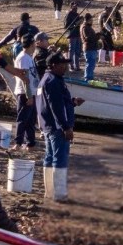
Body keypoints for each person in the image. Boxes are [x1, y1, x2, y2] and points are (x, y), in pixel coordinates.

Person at [36, 52, 84, 202]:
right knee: (60, 159)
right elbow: (55, 107)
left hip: (48, 126)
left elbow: (52, 104)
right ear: (53, 66)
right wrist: (66, 127)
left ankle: (49, 192)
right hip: (57, 128)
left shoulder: (46, 79)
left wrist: (72, 102)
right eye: (62, 64)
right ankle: (60, 194)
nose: (65, 67)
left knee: (50, 158)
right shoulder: (53, 82)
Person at [12, 35, 38, 151]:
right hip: (24, 93)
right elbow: (24, 78)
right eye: (34, 44)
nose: (35, 46)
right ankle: (18, 143)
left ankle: (30, 143)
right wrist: (29, 96)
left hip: (32, 92)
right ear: (31, 44)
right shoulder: (23, 58)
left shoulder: (29, 57)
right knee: (22, 119)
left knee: (31, 120)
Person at [79, 13, 99, 82]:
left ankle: (90, 77)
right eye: (91, 20)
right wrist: (97, 36)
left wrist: (98, 35)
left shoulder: (88, 27)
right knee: (90, 64)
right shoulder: (85, 27)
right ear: (87, 20)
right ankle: (88, 78)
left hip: (92, 48)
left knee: (92, 64)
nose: (92, 21)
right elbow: (87, 38)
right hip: (89, 48)